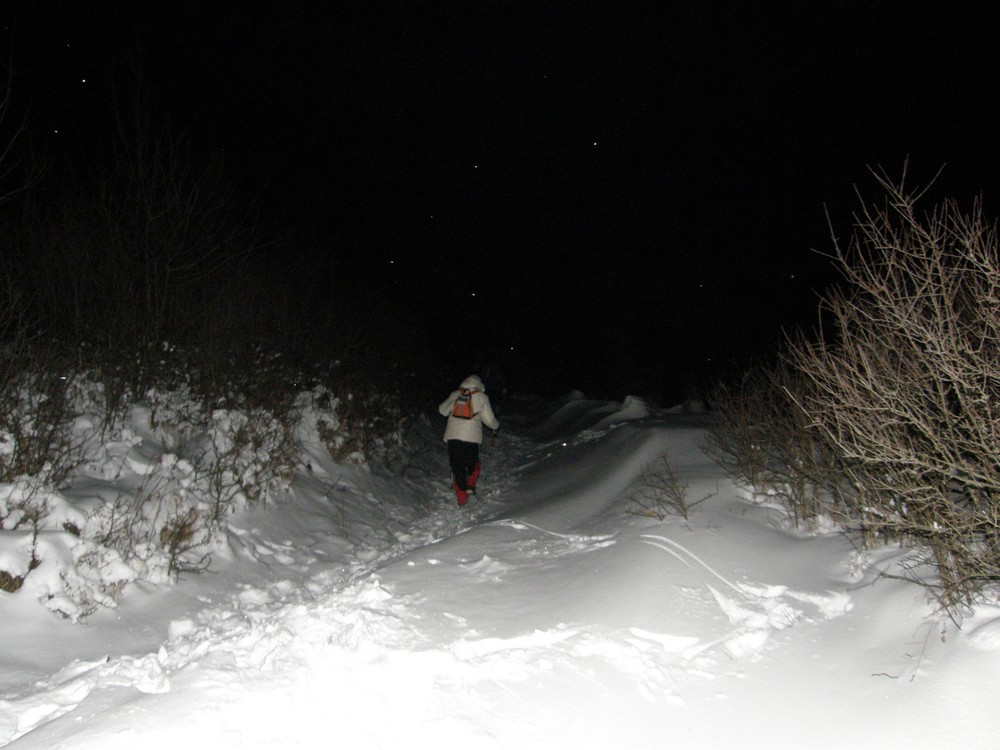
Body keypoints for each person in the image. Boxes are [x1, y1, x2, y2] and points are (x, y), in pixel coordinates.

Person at [438, 374, 500, 507]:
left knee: (457, 466)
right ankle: (470, 484)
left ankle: (461, 498)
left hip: (453, 436)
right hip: (471, 437)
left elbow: (442, 410)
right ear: (479, 385)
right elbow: (489, 420)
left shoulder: (456, 394)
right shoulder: (482, 397)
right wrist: (496, 426)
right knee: (472, 462)